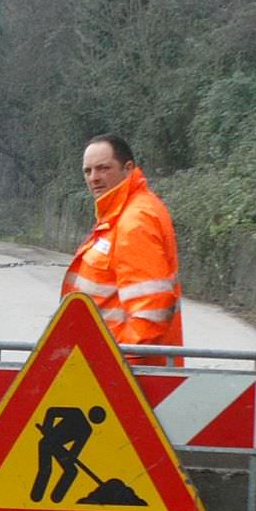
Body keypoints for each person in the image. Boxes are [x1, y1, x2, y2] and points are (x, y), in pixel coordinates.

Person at [63, 135, 183, 353]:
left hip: (123, 373)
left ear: (128, 169)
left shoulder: (135, 221)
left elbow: (150, 312)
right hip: (108, 364)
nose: (94, 178)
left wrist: (118, 366)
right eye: (87, 171)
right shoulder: (119, 215)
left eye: (103, 168)